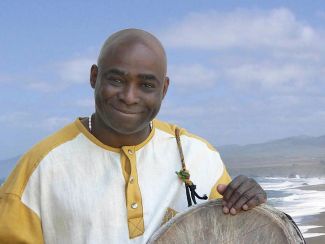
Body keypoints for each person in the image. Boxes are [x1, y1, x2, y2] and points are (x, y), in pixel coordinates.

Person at [0, 29, 266, 243]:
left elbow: (233, 232)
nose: (128, 97)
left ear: (164, 89)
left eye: (146, 85)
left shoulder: (198, 156)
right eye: (116, 80)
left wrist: (248, 202)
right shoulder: (40, 169)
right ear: (94, 77)